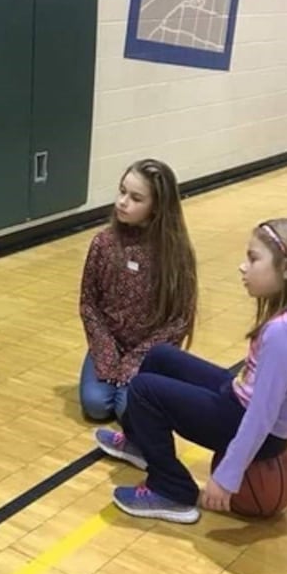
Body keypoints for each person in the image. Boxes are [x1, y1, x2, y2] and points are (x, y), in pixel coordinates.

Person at [98, 218, 287, 524]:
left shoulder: (284, 331)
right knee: (160, 357)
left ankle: (170, 488)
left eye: (253, 258)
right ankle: (139, 443)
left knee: (144, 390)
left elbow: (262, 412)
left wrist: (228, 475)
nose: (242, 267)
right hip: (245, 403)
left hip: (256, 426)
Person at [77, 159, 200, 421]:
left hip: (150, 352)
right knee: (97, 405)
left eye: (135, 198)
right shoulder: (103, 242)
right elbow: (88, 303)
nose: (122, 202)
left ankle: (155, 380)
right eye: (122, 192)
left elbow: (180, 319)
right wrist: (107, 351)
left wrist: (136, 359)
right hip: (109, 343)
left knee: (128, 410)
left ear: (157, 207)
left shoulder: (176, 253)